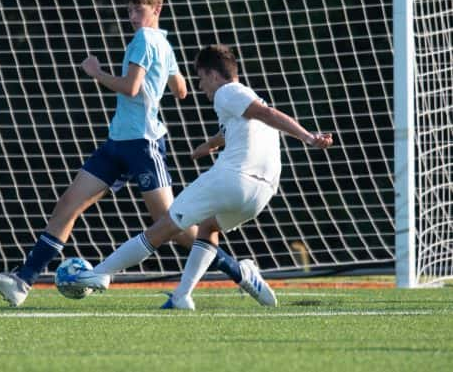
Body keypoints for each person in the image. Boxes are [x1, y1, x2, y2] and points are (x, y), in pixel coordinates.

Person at [0, 0, 273, 310]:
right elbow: (181, 90)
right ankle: (23, 280)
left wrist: (96, 71)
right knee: (68, 205)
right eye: (130, 10)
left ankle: (240, 272)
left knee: (173, 228)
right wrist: (159, 79)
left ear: (157, 8)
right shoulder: (162, 41)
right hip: (118, 142)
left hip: (143, 145)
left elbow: (132, 88)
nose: (133, 16)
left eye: (139, 9)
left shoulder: (144, 40)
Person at [72, 44, 334, 308]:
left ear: (213, 75)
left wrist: (308, 138)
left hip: (234, 178)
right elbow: (242, 124)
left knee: (163, 228)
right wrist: (210, 145)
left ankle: (99, 273)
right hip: (262, 194)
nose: (200, 86)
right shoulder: (246, 98)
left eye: (200, 78)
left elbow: (267, 114)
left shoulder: (227, 92)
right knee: (208, 228)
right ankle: (183, 296)